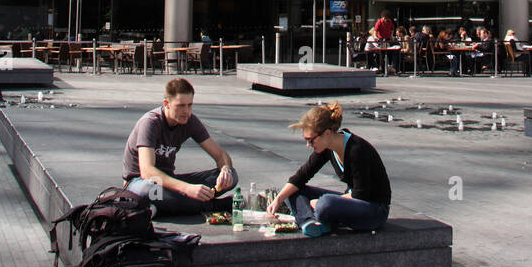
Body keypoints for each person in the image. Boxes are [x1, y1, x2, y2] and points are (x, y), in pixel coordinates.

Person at [268, 100, 391, 237]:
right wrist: (278, 199)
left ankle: (321, 219)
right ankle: (310, 223)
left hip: (374, 210)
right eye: (306, 140)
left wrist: (320, 202)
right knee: (291, 191)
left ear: (326, 133)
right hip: (353, 202)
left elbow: (360, 195)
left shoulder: (356, 150)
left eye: (311, 140)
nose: (308, 145)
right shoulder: (326, 147)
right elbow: (302, 176)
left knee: (326, 203)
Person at [123, 77, 238, 217]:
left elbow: (220, 155)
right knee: (150, 190)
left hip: (170, 182)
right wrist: (187, 189)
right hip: (140, 182)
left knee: (233, 175)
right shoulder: (151, 123)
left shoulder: (190, 121)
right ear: (167, 104)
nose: (187, 111)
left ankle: (179, 203)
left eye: (190, 105)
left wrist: (225, 171)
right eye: (181, 106)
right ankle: (213, 205)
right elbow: (147, 172)